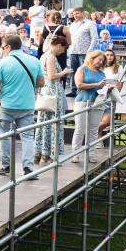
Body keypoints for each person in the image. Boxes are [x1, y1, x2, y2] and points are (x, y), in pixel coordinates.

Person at [0, 35, 44, 177]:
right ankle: (28, 169)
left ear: (9, 47)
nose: (3, 50)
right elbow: (41, 83)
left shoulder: (2, 63)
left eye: (3, 47)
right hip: (27, 104)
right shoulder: (34, 61)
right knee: (27, 137)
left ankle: (6, 166)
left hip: (6, 105)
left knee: (4, 135)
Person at [35, 34, 71, 165]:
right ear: (58, 45)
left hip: (47, 92)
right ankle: (46, 154)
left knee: (43, 123)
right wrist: (64, 72)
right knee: (50, 124)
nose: (62, 52)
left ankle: (38, 153)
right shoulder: (50, 57)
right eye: (63, 49)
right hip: (52, 92)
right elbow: (52, 75)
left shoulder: (44, 56)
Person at [71, 52, 107, 165]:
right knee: (80, 128)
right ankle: (75, 154)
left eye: (102, 61)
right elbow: (79, 85)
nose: (100, 62)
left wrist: (109, 88)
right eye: (99, 59)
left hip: (97, 102)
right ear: (92, 58)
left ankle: (90, 154)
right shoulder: (82, 69)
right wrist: (97, 84)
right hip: (83, 100)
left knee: (93, 129)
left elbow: (102, 88)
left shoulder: (102, 74)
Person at [66, 8, 96, 96]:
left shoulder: (89, 23)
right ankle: (74, 89)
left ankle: (83, 89)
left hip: (84, 51)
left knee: (84, 71)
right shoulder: (73, 24)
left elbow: (94, 37)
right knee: (73, 71)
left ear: (83, 13)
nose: (75, 15)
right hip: (73, 50)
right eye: (74, 14)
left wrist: (90, 50)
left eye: (77, 13)